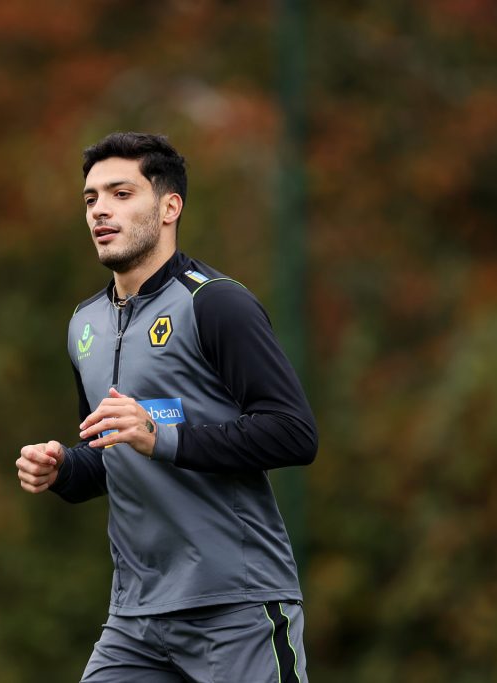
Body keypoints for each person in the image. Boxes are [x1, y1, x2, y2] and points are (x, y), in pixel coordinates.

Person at [16, 132, 319, 682]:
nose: (101, 210)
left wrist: (163, 437)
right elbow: (107, 458)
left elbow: (294, 433)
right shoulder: (84, 324)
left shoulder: (217, 303)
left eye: (121, 193)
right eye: (91, 199)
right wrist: (63, 464)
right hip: (135, 622)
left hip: (237, 609)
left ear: (169, 206)